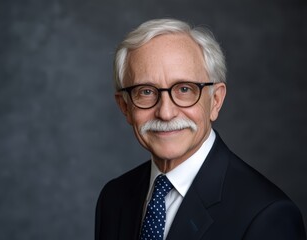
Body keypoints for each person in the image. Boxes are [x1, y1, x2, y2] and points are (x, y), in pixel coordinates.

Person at [95, 18, 306, 240]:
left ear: (215, 100)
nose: (166, 113)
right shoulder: (114, 198)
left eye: (185, 89)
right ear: (125, 106)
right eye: (146, 92)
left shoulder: (267, 216)